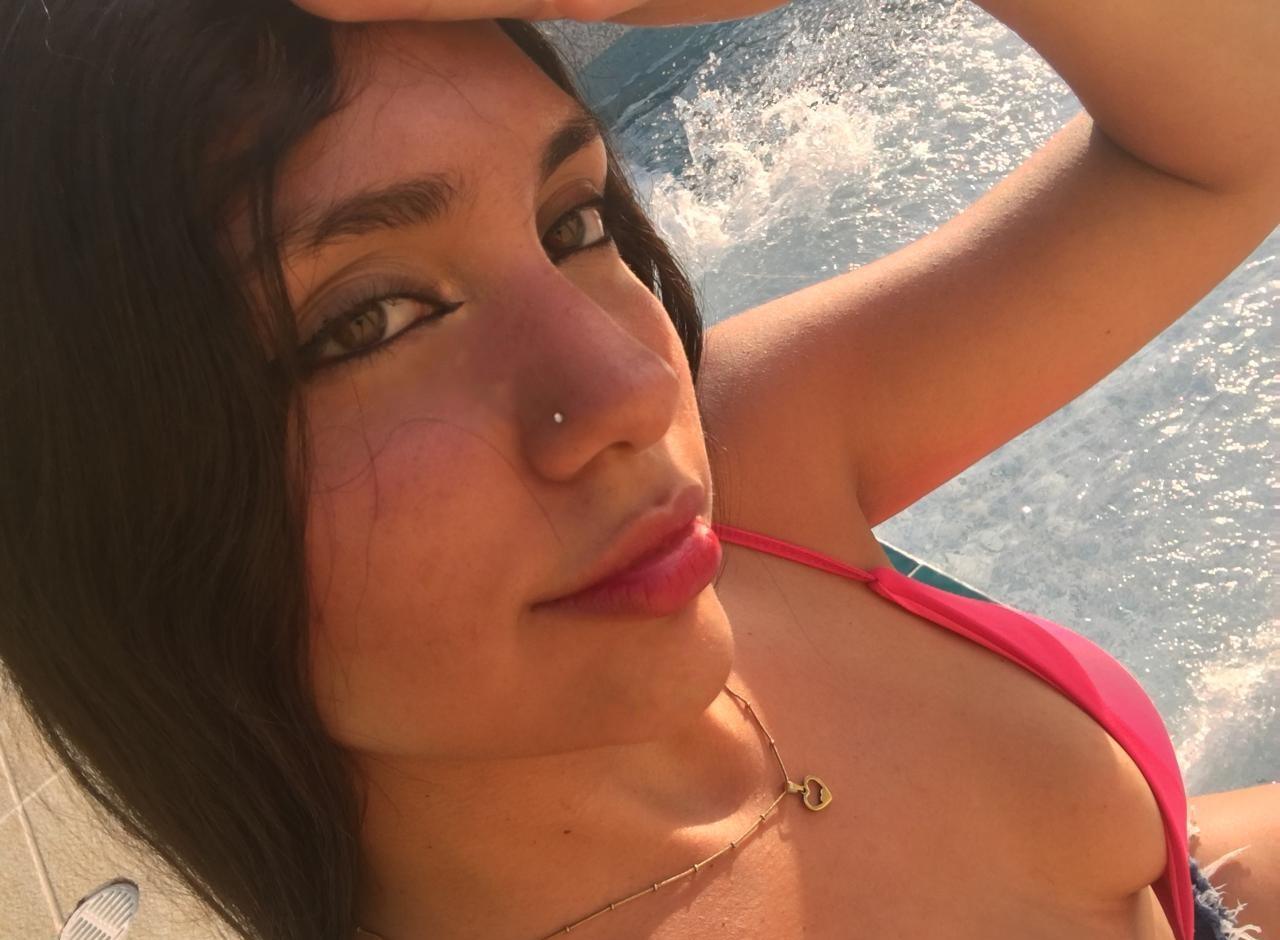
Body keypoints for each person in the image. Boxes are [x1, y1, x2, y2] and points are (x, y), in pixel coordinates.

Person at [0, 1, 1275, 939]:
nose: (631, 386)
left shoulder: (748, 468)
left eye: (572, 220)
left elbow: (1234, 127)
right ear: (99, 512)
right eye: (368, 321)